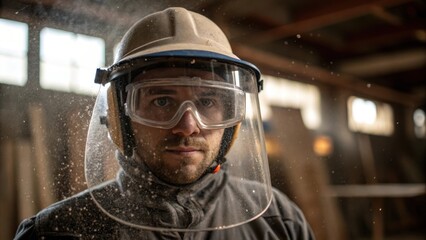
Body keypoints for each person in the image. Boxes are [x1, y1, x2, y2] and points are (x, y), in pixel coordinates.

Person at [14, 7, 315, 239]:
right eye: (161, 102)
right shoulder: (57, 232)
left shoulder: (280, 222)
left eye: (208, 102)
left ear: (231, 119)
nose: (187, 126)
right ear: (121, 117)